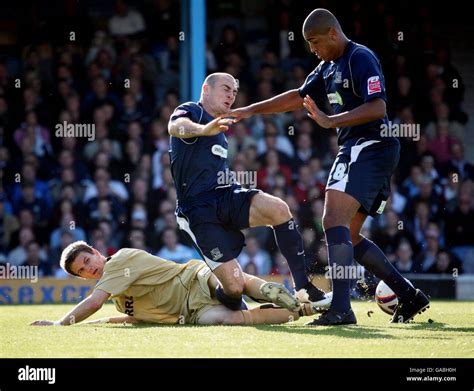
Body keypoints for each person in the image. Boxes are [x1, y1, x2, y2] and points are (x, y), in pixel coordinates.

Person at [230, 9, 429, 325]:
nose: (312, 49)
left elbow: (378, 107)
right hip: (364, 149)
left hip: (369, 146)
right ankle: (408, 295)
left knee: (332, 218)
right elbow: (298, 97)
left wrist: (330, 120)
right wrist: (250, 111)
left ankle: (341, 309)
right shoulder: (327, 66)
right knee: (348, 234)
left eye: (315, 41)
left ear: (333, 33)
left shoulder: (359, 58)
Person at [167, 72, 332, 313]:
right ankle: (221, 296)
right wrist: (203, 130)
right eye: (225, 89)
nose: (231, 95)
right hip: (197, 210)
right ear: (206, 89)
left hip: (224, 196)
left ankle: (303, 285)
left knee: (279, 209)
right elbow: (175, 127)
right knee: (234, 287)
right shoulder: (192, 112)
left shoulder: (222, 129)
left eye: (234, 92)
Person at [30, 241, 320, 326]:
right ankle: (302, 309)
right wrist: (101, 323)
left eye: (88, 261)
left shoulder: (118, 261)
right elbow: (131, 318)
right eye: (83, 271)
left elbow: (93, 302)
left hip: (192, 278)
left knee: (233, 282)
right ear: (81, 277)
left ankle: (295, 305)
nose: (89, 269)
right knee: (231, 318)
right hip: (191, 312)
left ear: (95, 252)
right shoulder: (117, 295)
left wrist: (61, 324)